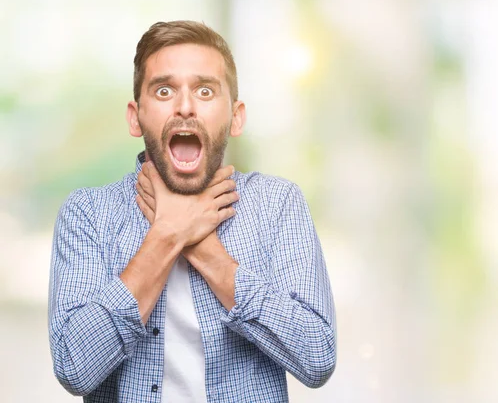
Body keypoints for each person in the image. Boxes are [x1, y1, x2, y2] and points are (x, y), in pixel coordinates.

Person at [48, 20, 336, 402]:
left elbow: (317, 357)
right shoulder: (87, 214)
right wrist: (167, 234)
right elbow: (75, 368)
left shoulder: (277, 204)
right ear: (136, 117)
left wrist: (204, 247)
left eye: (205, 90)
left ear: (236, 116)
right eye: (164, 90)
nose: (185, 106)